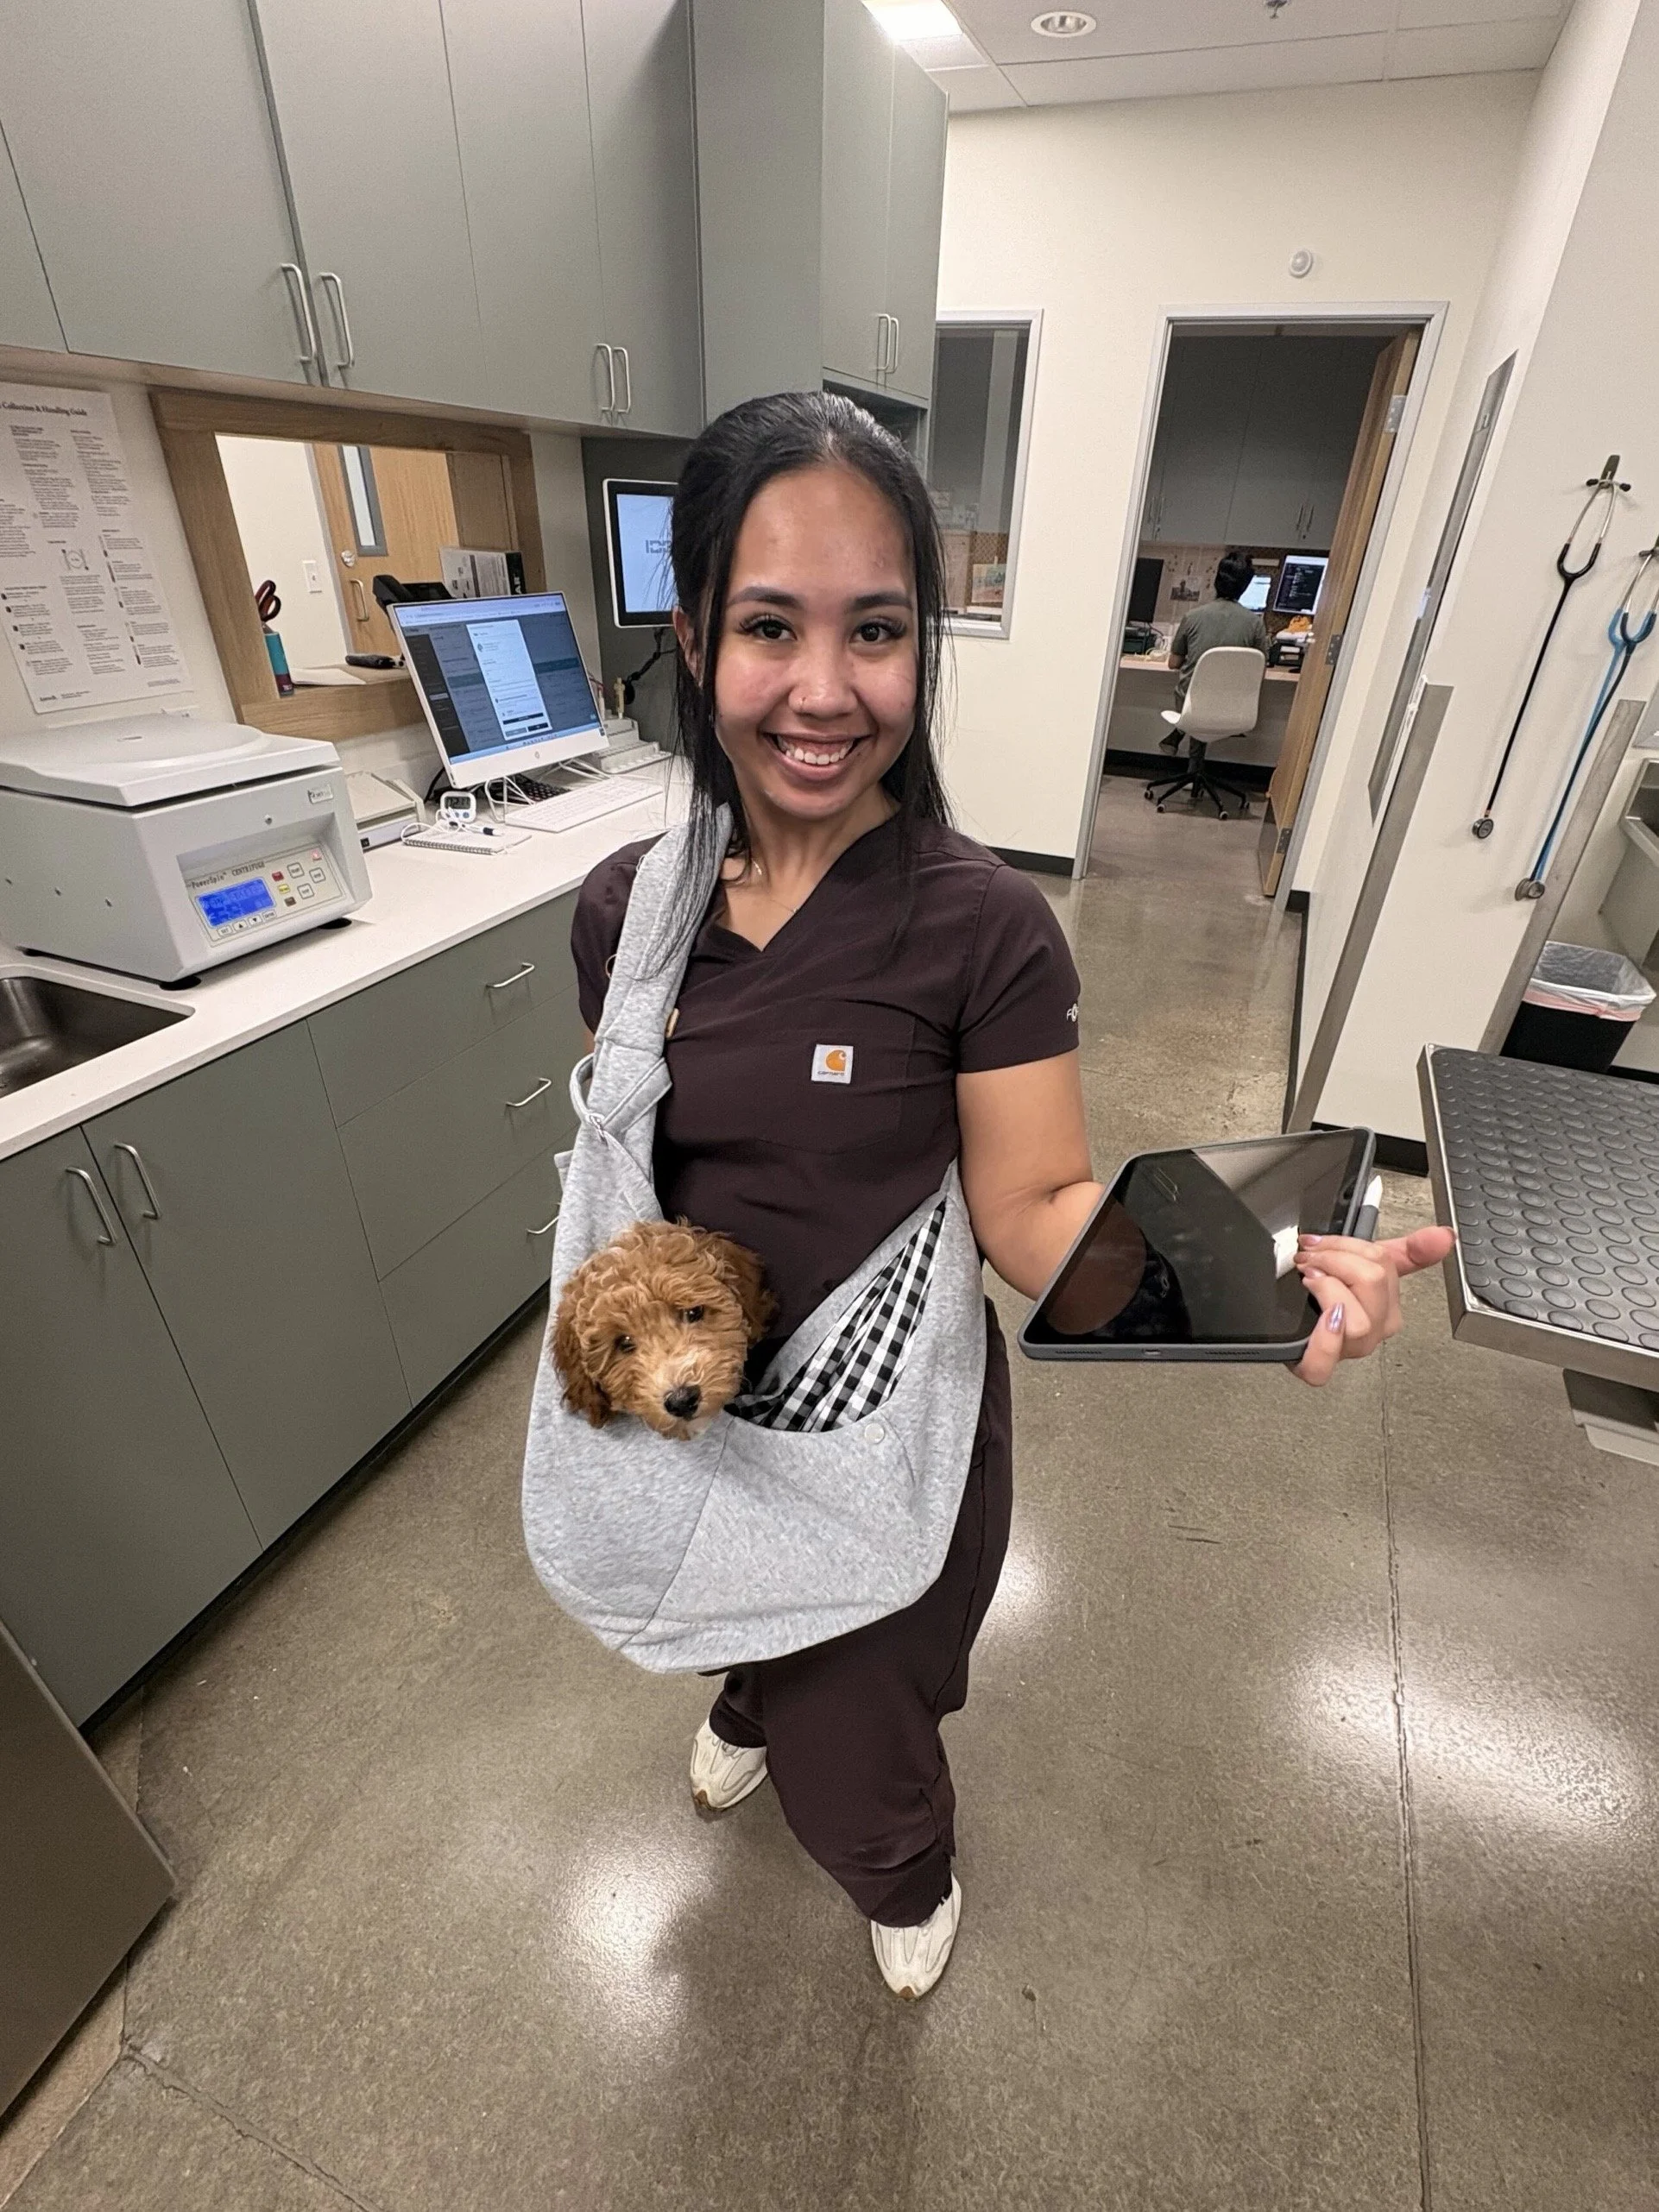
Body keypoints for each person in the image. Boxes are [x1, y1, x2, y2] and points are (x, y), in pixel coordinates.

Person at [568, 393, 1451, 2001]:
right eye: (768, 625)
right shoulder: (630, 911)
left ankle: (905, 1870)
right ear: (692, 639)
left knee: (861, 1739)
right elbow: (633, 1183)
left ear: (922, 646)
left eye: (875, 629)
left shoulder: (977, 926)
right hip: (710, 1422)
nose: (824, 688)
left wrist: (1256, 1281)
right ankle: (749, 1692)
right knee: (737, 1631)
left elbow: (1034, 1201)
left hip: (883, 1433)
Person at [1166, 547, 1269, 709]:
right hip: (1232, 708)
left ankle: (1184, 726)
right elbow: (1259, 672)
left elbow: (1173, 663)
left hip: (1190, 706)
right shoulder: (1256, 624)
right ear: (1245, 587)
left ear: (1216, 581)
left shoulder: (1192, 617)